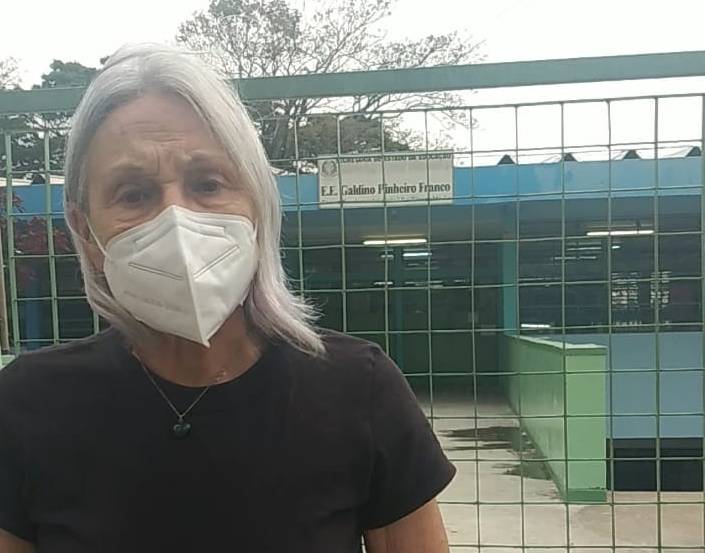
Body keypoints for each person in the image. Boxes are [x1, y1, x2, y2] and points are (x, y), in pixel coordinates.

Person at [0, 44, 455, 553]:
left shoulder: (359, 390)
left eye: (208, 184)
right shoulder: (26, 405)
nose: (177, 221)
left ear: (256, 205)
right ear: (86, 231)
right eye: (134, 194)